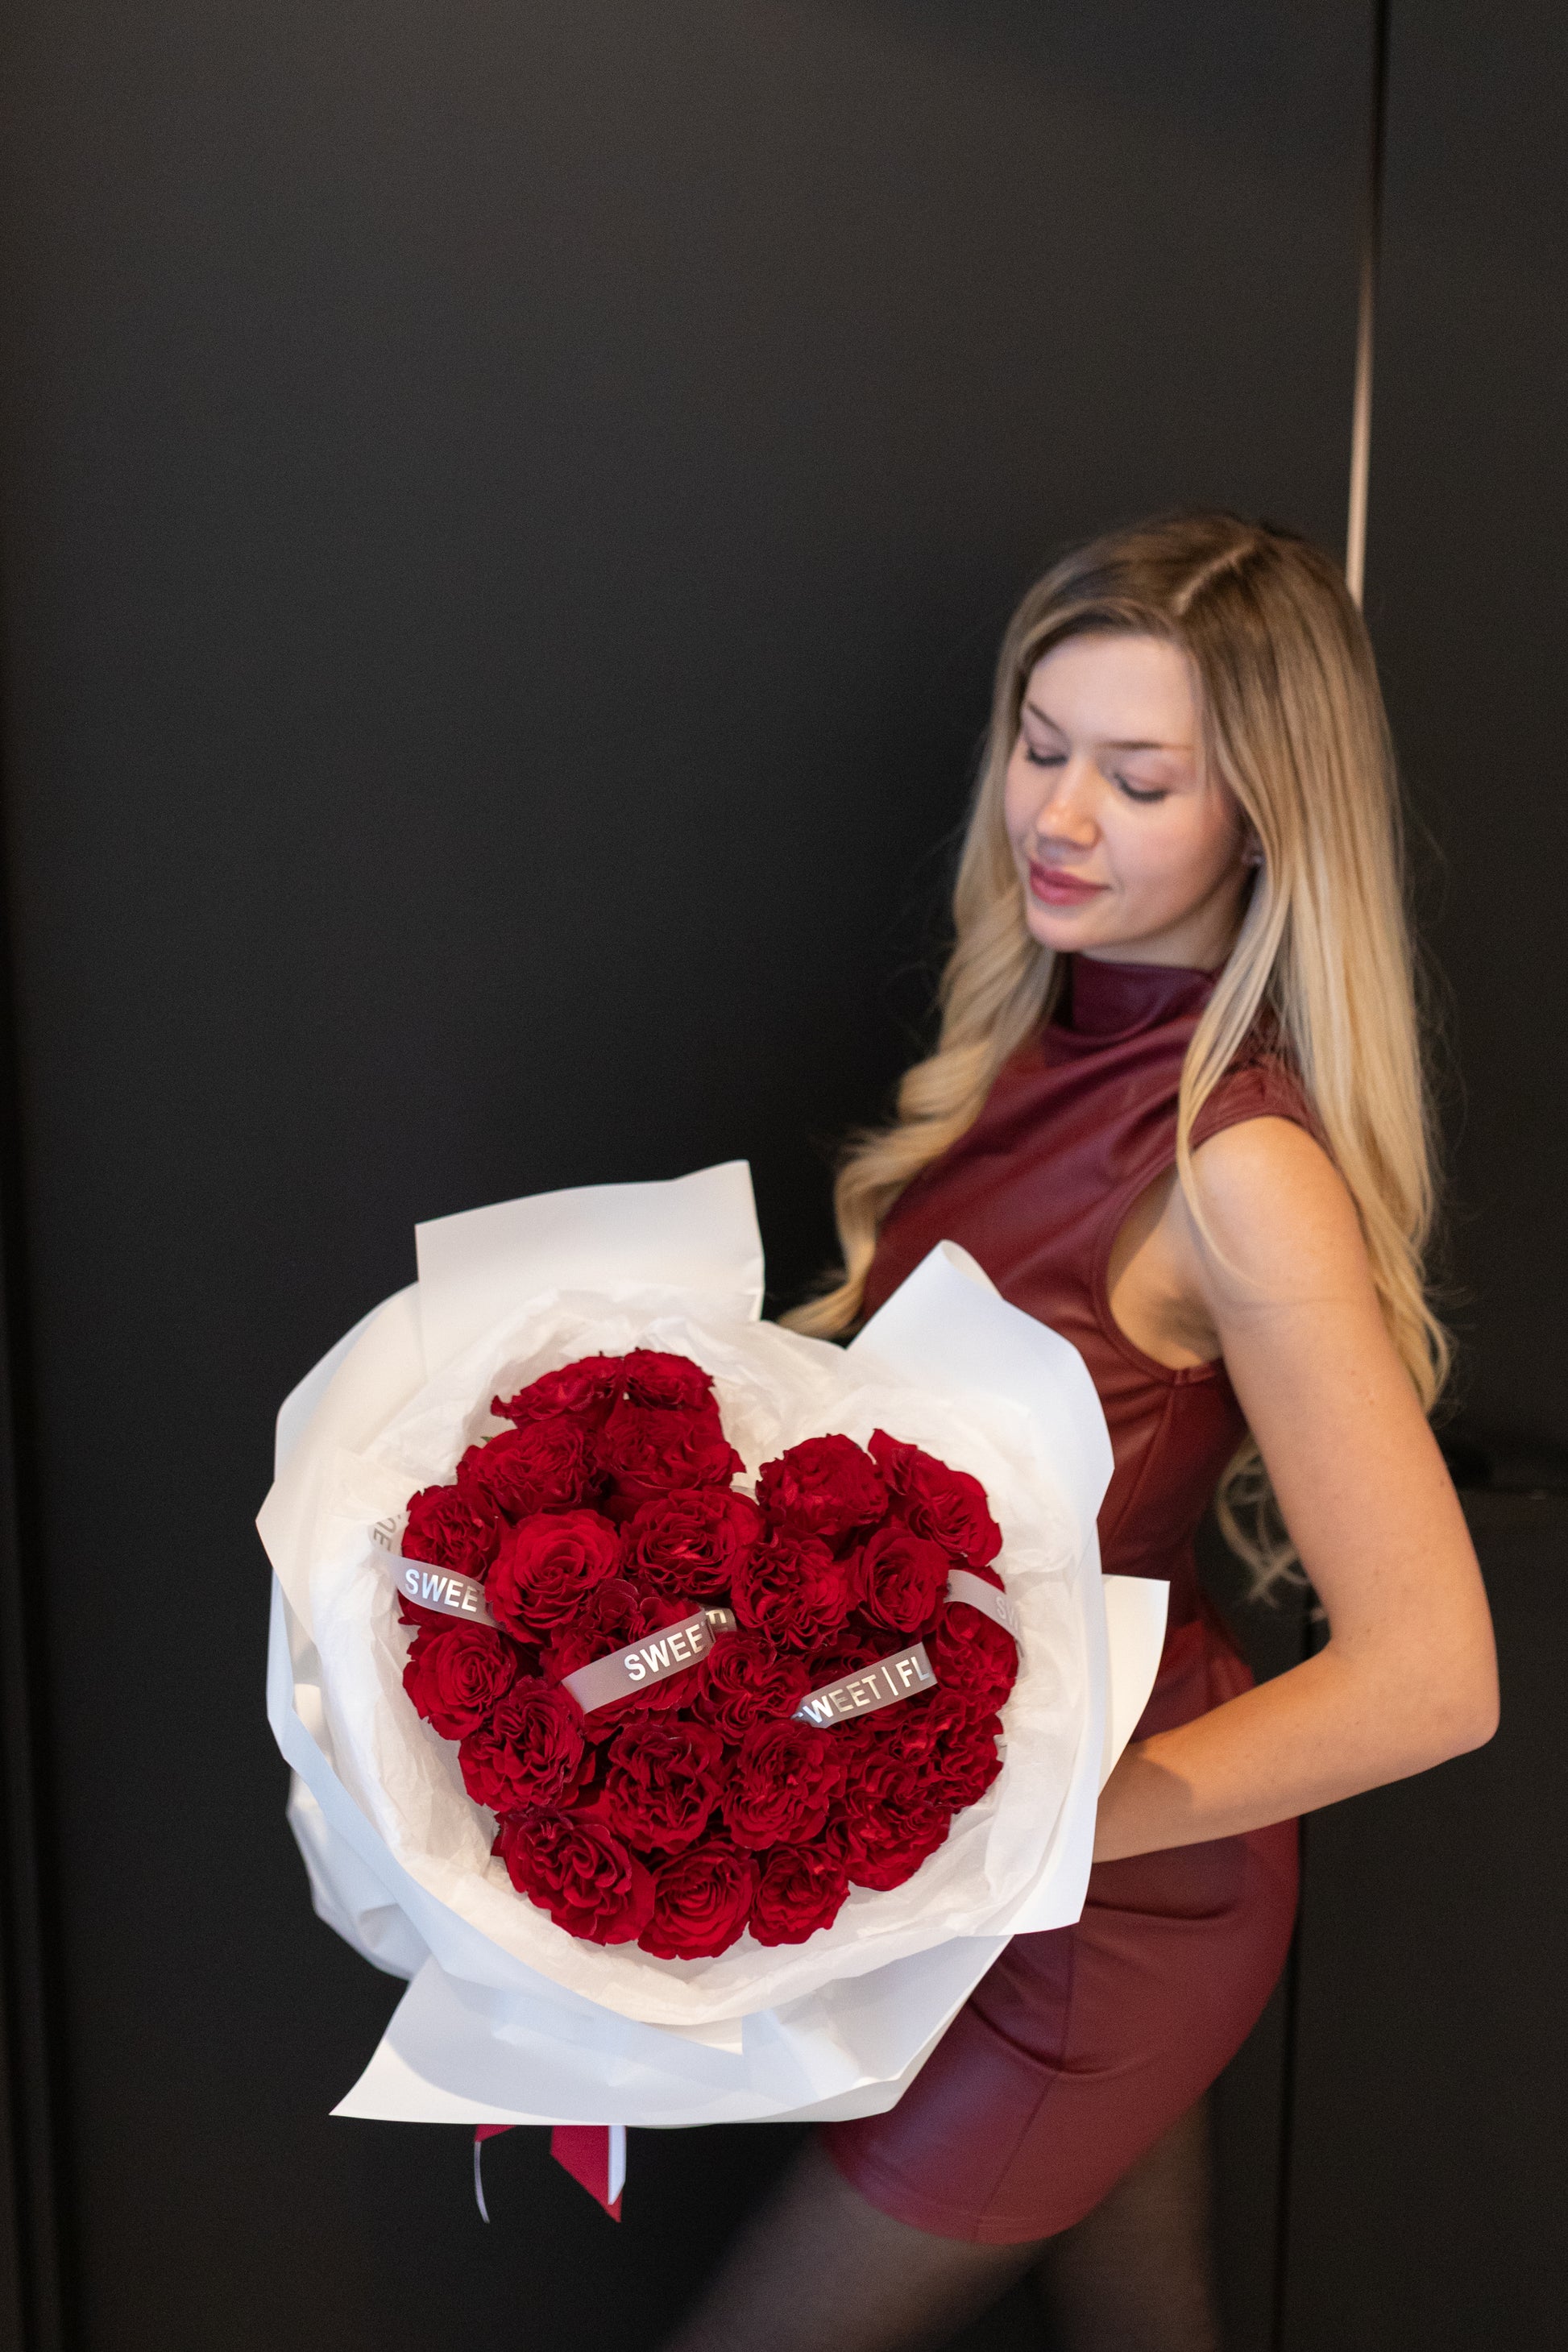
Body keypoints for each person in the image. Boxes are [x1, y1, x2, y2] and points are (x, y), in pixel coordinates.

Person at [660, 512, 1498, 2352]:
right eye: (1042, 746)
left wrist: (1016, 1830)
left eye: (1139, 777)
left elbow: (1435, 1675)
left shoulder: (1238, 1167)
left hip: (1105, 1905)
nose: (1058, 815)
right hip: (1003, 1871)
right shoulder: (1039, 1036)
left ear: (1261, 816)